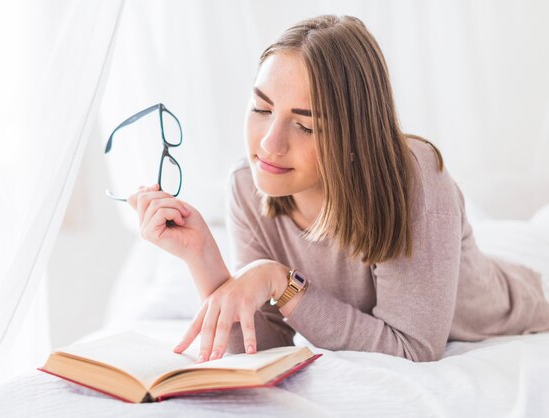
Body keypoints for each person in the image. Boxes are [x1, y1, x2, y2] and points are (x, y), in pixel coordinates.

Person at [127, 15, 549, 362]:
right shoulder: (246, 186)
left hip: (525, 303)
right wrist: (202, 257)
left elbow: (412, 349)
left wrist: (281, 281)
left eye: (305, 125)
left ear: (355, 138)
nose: (269, 143)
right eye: (260, 108)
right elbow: (262, 345)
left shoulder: (415, 182)